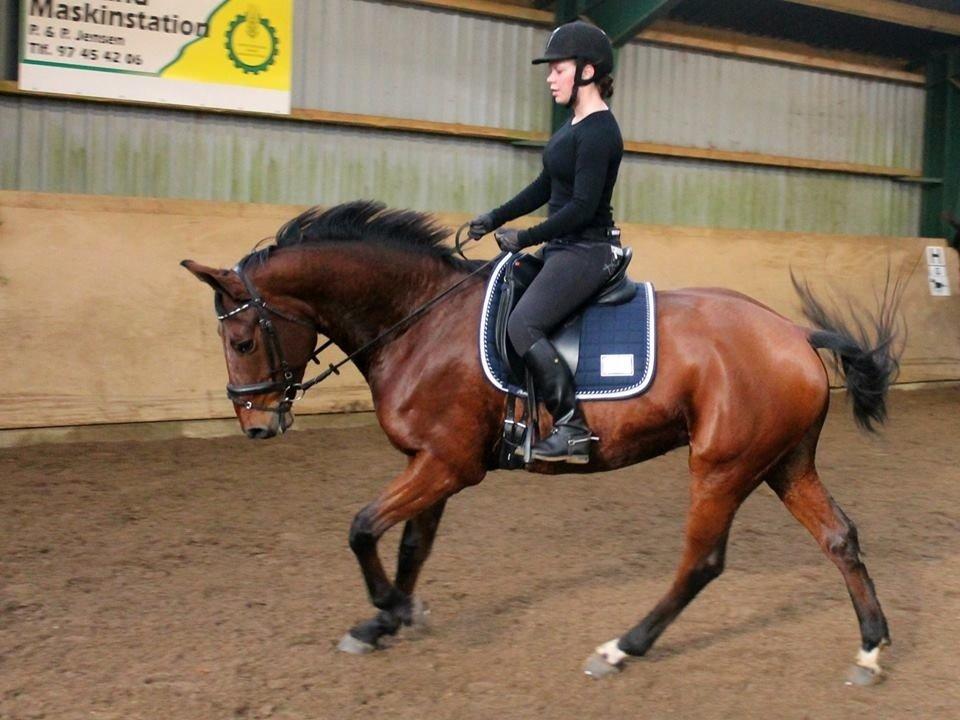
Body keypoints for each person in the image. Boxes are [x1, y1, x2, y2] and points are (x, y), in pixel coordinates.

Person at [469, 20, 624, 464]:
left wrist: (526, 237)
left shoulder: (599, 131)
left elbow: (579, 207)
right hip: (563, 248)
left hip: (588, 250)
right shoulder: (572, 127)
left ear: (587, 72)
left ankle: (571, 425)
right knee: (502, 293)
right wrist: (494, 217)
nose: (550, 77)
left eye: (558, 69)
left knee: (523, 325)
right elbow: (544, 187)